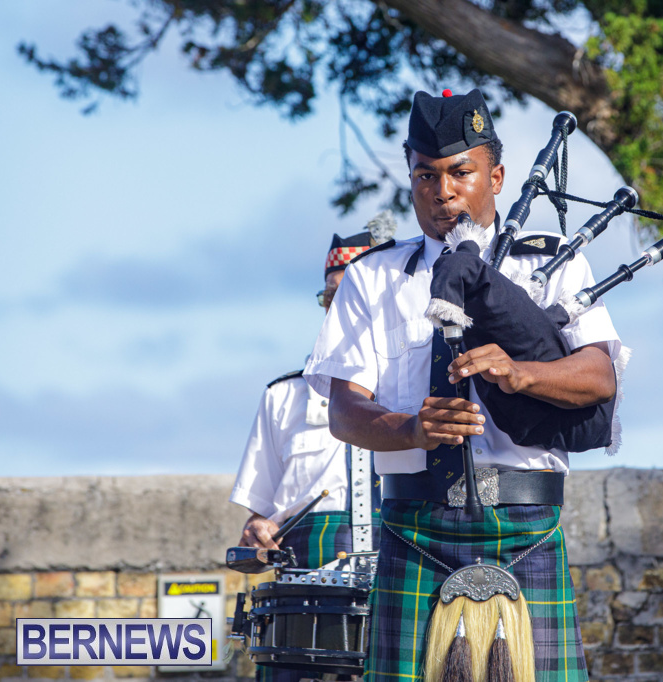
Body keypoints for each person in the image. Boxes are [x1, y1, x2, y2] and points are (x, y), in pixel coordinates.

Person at [304, 88, 620, 682]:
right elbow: (344, 412)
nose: (442, 191)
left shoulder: (550, 264)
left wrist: (523, 373)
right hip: (413, 527)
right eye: (425, 175)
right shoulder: (372, 277)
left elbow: (599, 376)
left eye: (460, 172)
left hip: (526, 526)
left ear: (495, 177)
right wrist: (412, 429)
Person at [230, 219, 392, 682]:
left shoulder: (421, 391)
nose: (339, 307)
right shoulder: (282, 396)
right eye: (330, 296)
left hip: (397, 568)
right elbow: (258, 522)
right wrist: (257, 534)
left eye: (353, 294)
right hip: (302, 588)